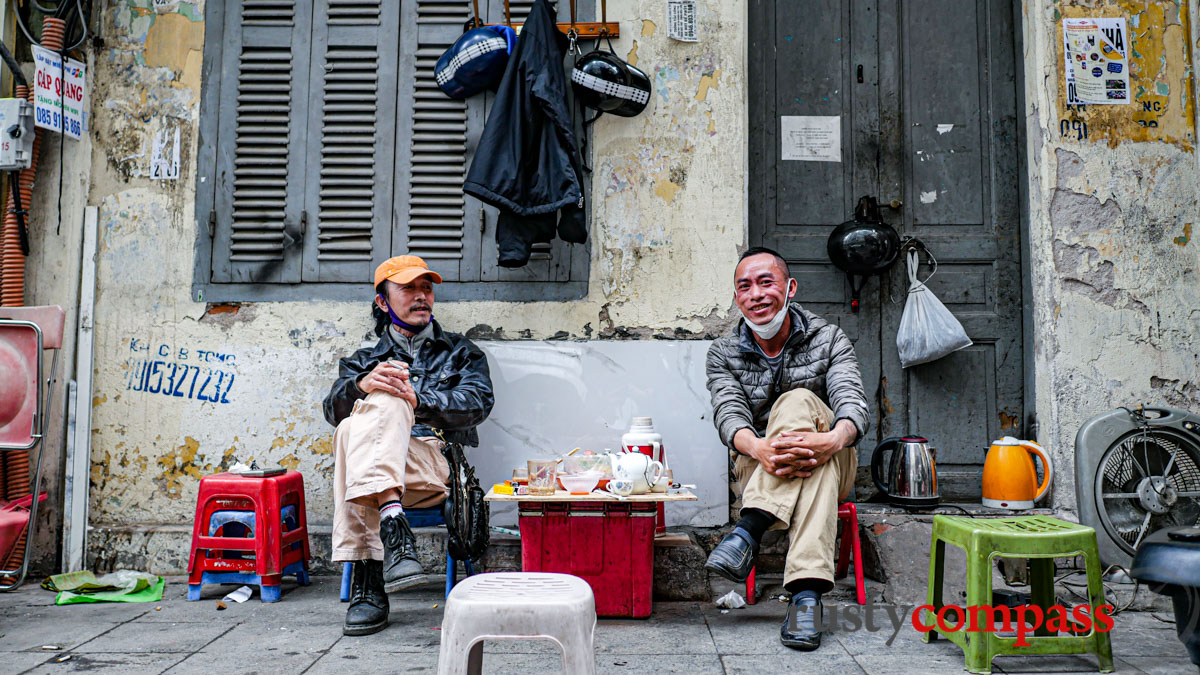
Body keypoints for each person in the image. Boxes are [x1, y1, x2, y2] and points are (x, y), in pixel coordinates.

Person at [704, 247, 870, 651]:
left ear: (790, 287)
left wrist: (833, 439)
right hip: (756, 465)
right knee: (816, 470)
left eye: (766, 282)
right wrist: (760, 449)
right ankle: (807, 597)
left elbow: (852, 404)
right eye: (745, 287)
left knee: (798, 401)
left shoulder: (829, 338)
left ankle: (748, 531)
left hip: (833, 453)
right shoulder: (722, 353)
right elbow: (729, 417)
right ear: (737, 297)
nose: (756, 295)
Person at [323, 255, 495, 636]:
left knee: (376, 414)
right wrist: (360, 385)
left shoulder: (461, 352)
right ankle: (391, 515)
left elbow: (478, 404)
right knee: (355, 423)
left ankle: (368, 588)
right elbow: (332, 409)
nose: (422, 296)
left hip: (433, 465)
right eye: (409, 288)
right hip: (390, 479)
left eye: (427, 288)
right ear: (383, 302)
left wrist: (417, 400)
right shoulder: (364, 361)